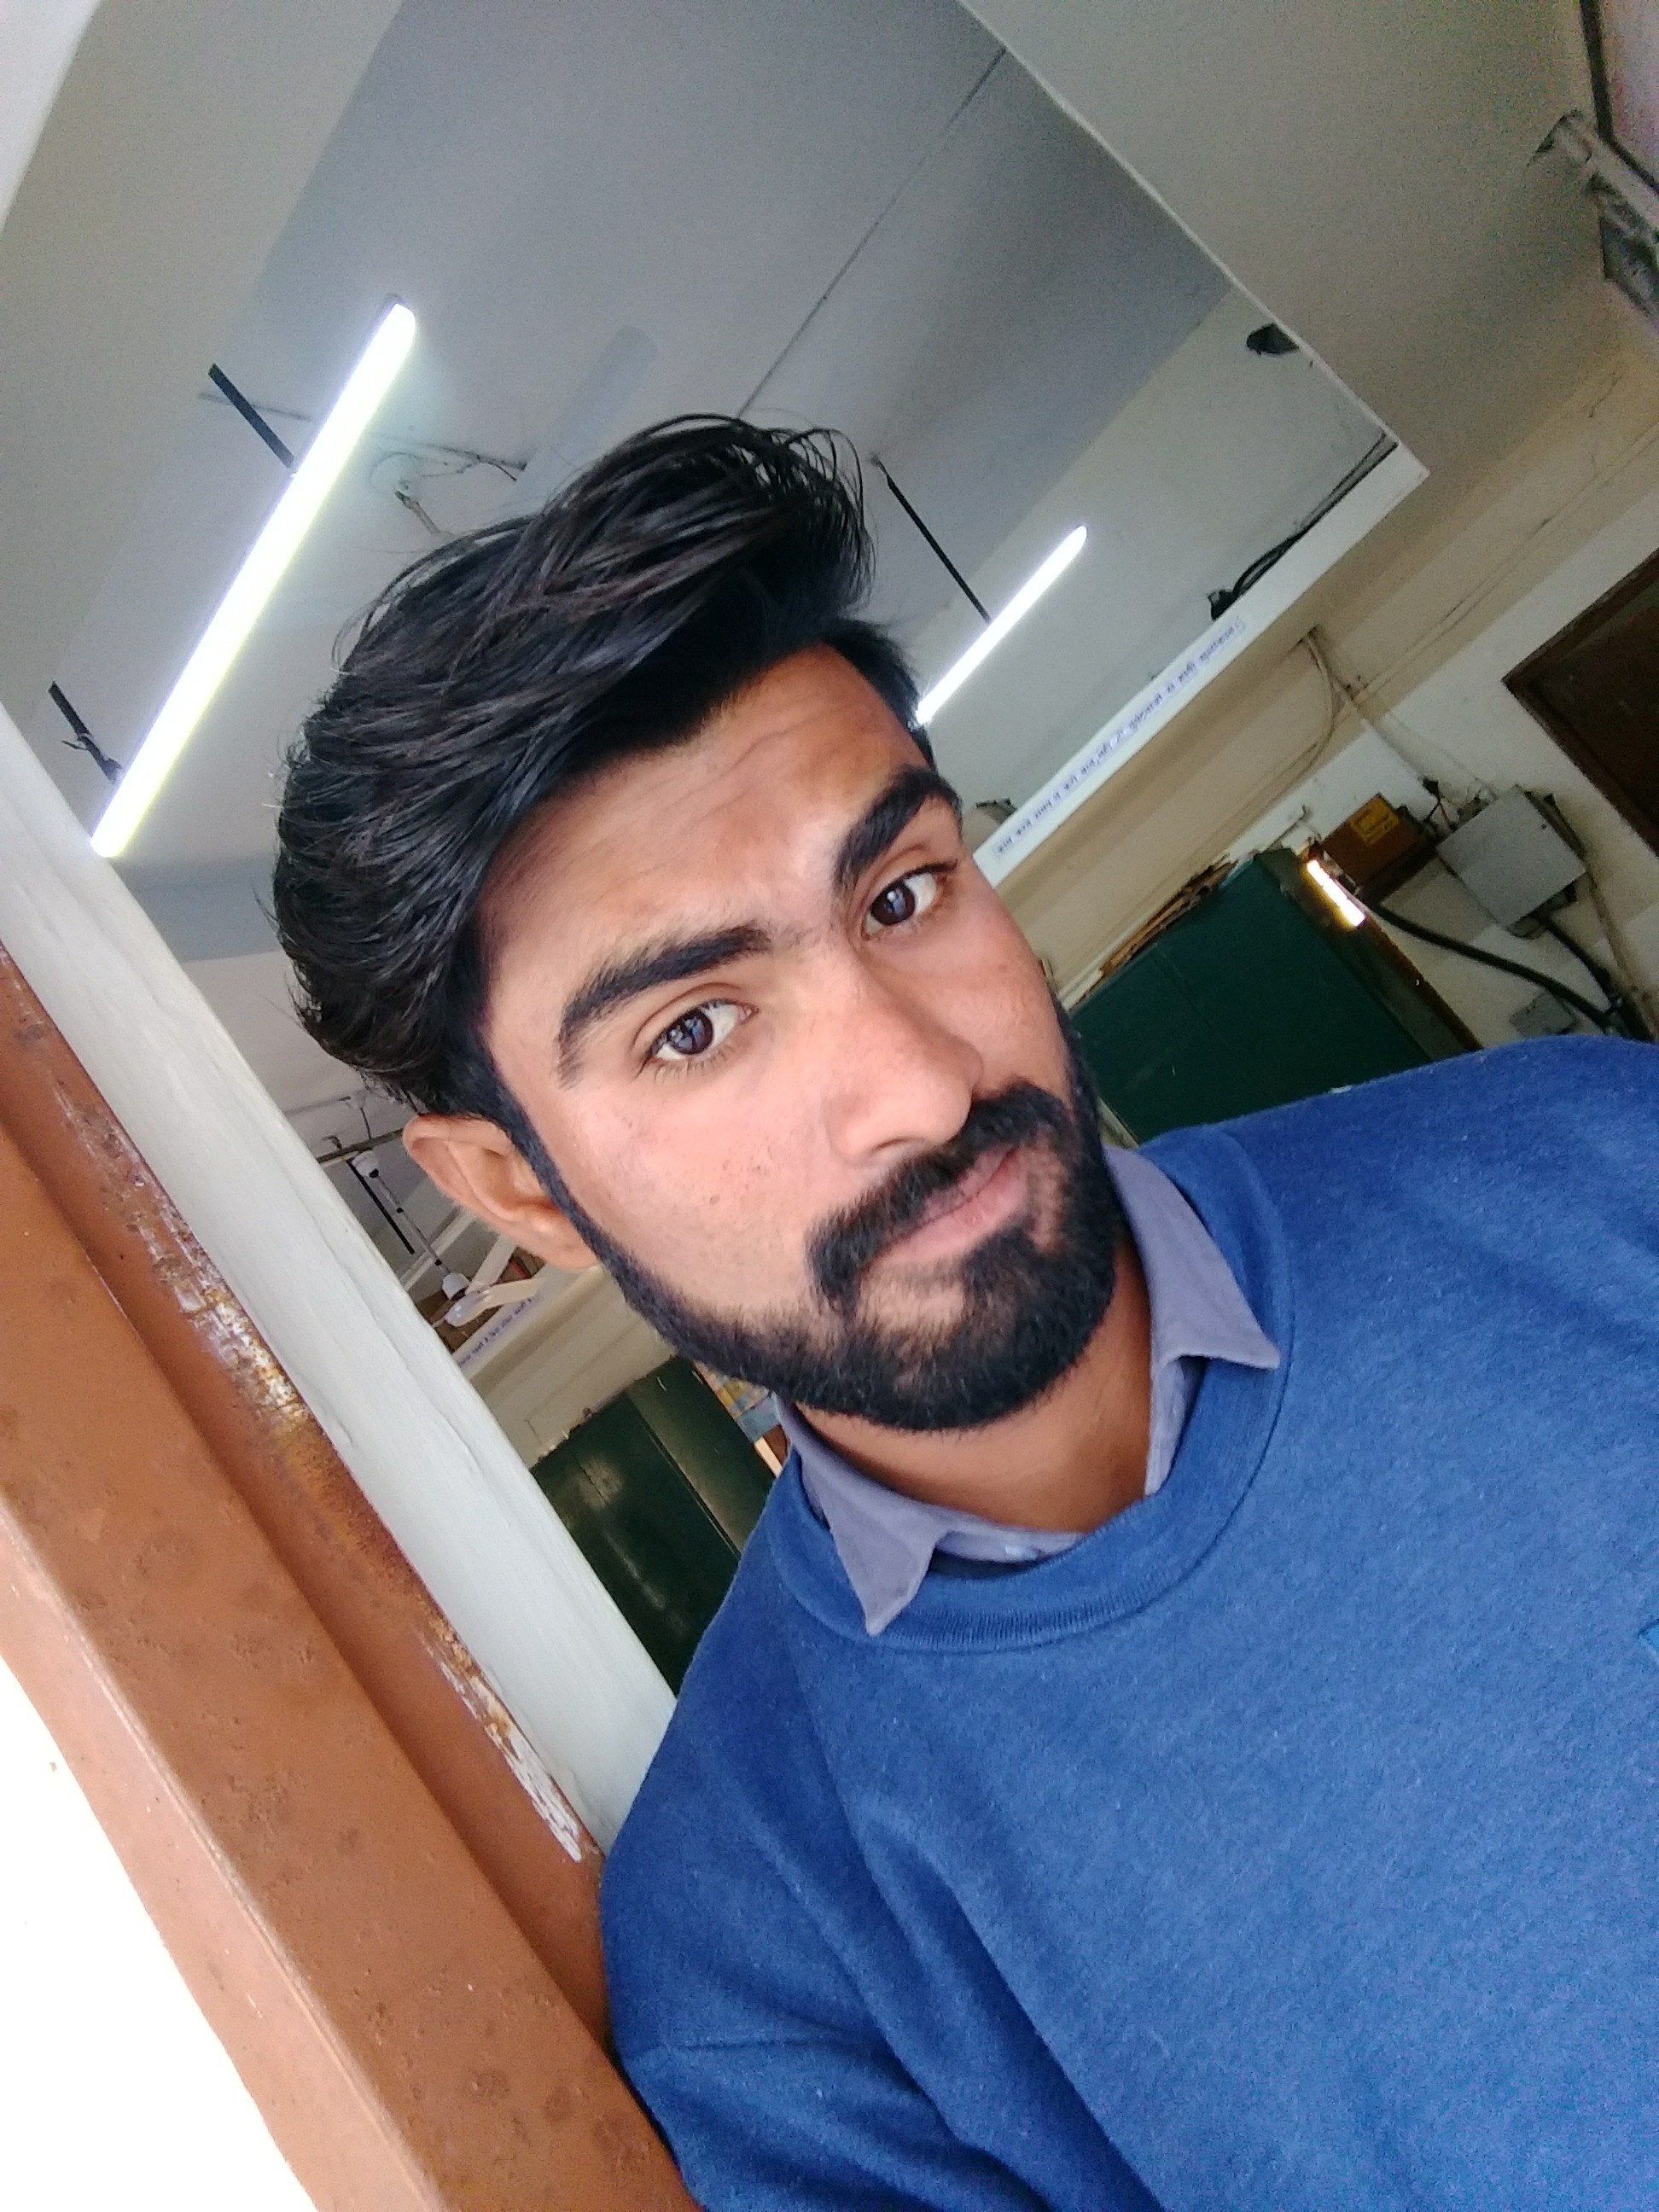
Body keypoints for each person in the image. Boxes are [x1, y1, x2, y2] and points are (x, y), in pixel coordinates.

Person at [274, 418, 1658, 2211]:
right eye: (694, 1027)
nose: (922, 1087)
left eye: (903, 894)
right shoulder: (777, 1975)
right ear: (520, 1192)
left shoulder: (1589, 1167)